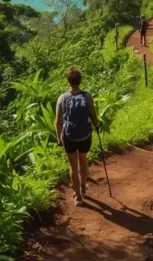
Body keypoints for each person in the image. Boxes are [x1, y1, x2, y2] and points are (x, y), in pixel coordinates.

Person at [56, 68, 100, 205]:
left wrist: (59, 138)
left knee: (73, 166)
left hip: (69, 136)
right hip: (85, 135)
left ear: (67, 81)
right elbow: (93, 114)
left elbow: (58, 121)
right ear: (80, 81)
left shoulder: (62, 98)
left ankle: (78, 196)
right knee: (83, 160)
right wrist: (97, 126)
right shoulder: (87, 96)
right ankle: (82, 187)